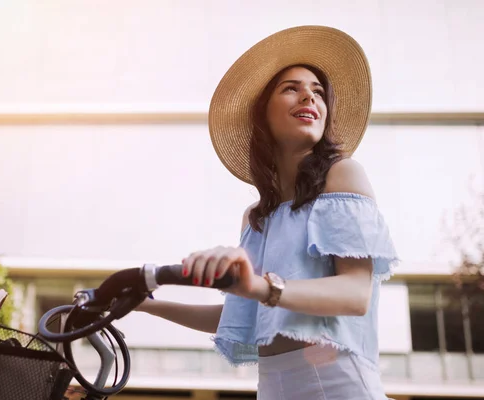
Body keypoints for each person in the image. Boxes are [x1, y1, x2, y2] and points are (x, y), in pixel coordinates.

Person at [136, 25, 398, 399]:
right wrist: (147, 307)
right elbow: (243, 312)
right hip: (272, 385)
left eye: (318, 91)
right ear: (262, 115)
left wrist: (262, 286)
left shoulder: (343, 176)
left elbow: (356, 294)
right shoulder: (255, 217)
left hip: (338, 382)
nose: (309, 94)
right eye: (291, 87)